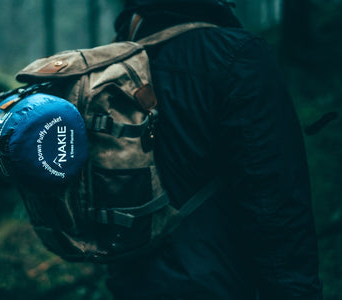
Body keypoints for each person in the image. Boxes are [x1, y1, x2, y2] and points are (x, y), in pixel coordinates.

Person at [106, 0, 323, 299]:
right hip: (217, 282)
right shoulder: (236, 56)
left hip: (132, 284)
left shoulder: (114, 69)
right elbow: (275, 202)